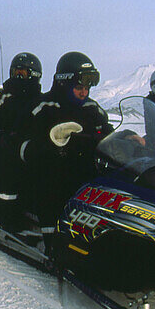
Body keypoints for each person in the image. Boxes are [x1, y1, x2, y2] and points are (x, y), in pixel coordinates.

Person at [23, 51, 113, 227]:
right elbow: (28, 144)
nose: (84, 93)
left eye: (87, 89)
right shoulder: (43, 108)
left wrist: (128, 140)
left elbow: (107, 130)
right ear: (64, 83)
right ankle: (52, 239)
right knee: (53, 182)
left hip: (85, 174)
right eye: (79, 88)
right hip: (51, 177)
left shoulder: (91, 107)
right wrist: (53, 145)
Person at [0, 52, 44, 228]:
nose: (18, 77)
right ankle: (5, 214)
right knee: (8, 167)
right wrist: (2, 138)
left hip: (33, 152)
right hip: (5, 155)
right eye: (15, 73)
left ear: (34, 75)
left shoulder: (41, 101)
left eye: (22, 73)